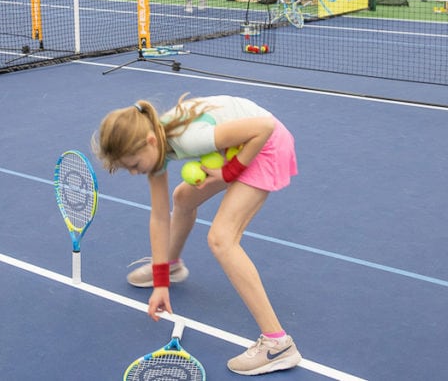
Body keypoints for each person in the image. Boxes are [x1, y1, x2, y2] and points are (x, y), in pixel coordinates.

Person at [92, 94, 302, 376]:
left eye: (133, 164)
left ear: (150, 142)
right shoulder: (156, 142)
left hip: (265, 146)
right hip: (239, 147)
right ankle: (173, 266)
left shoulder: (190, 139)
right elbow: (158, 216)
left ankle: (278, 345)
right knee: (183, 198)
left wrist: (229, 172)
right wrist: (160, 279)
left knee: (221, 239)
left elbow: (264, 128)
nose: (133, 172)